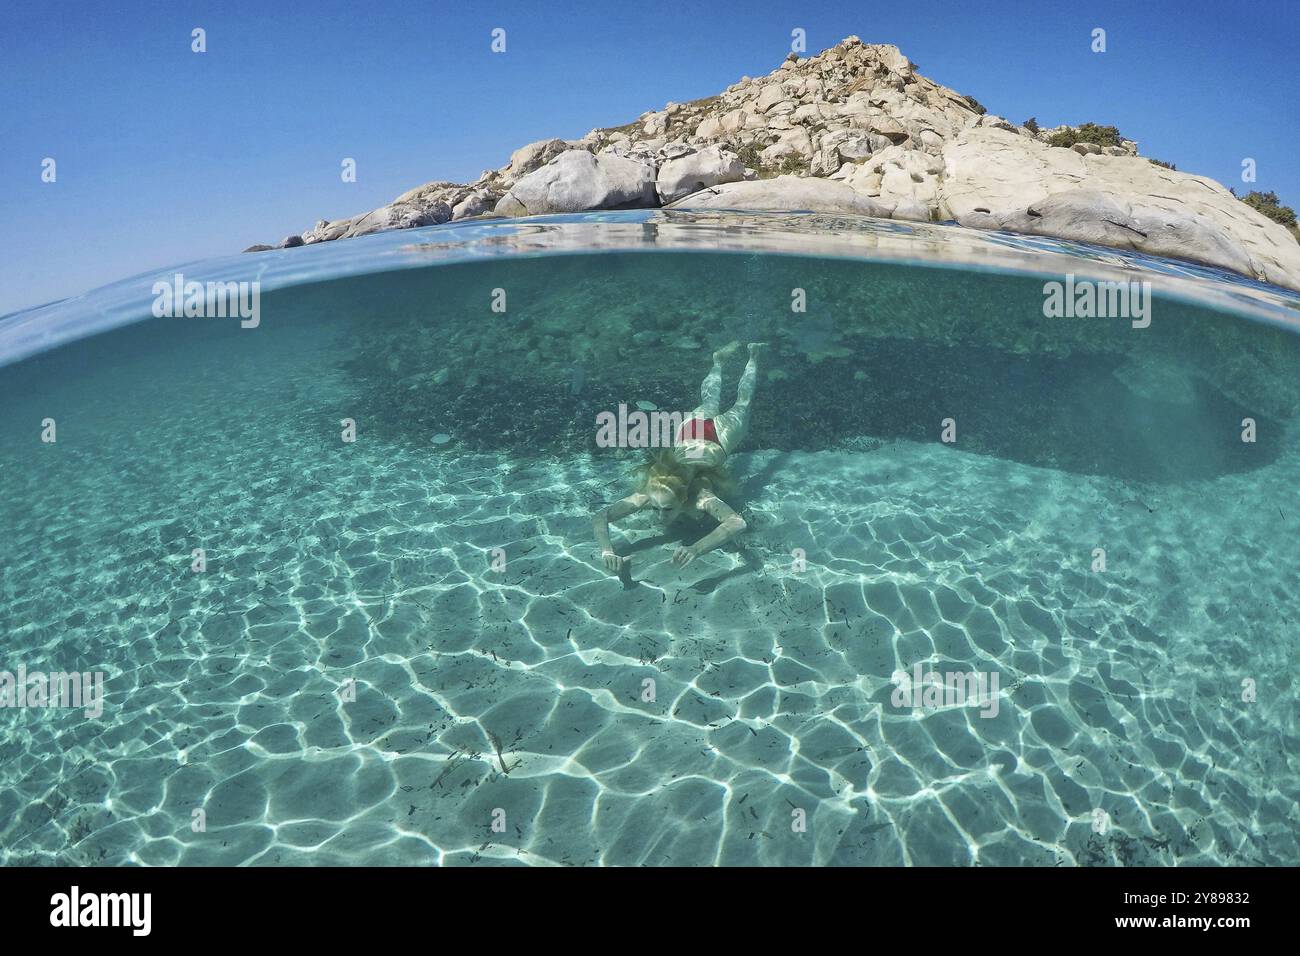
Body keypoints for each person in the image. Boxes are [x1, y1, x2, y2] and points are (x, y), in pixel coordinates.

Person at [594, 341, 764, 570]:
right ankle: (721, 361)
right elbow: (601, 516)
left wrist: (696, 548)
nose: (660, 516)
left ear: (684, 499)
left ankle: (751, 356)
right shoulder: (650, 494)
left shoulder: (700, 495)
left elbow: (737, 523)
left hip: (715, 438)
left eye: (667, 510)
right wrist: (607, 551)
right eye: (656, 508)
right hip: (691, 433)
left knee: (740, 402)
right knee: (715, 401)